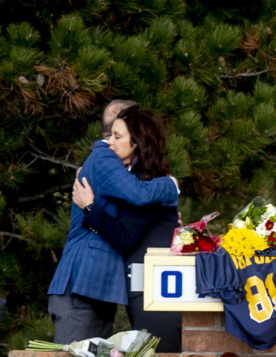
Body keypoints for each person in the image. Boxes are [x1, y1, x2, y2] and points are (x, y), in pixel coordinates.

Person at [47, 101, 179, 343]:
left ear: (137, 140)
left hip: (97, 291)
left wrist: (163, 219)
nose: (110, 141)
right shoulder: (104, 156)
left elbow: (130, 220)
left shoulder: (119, 169)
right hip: (81, 285)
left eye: (118, 136)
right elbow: (139, 194)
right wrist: (170, 186)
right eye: (112, 134)